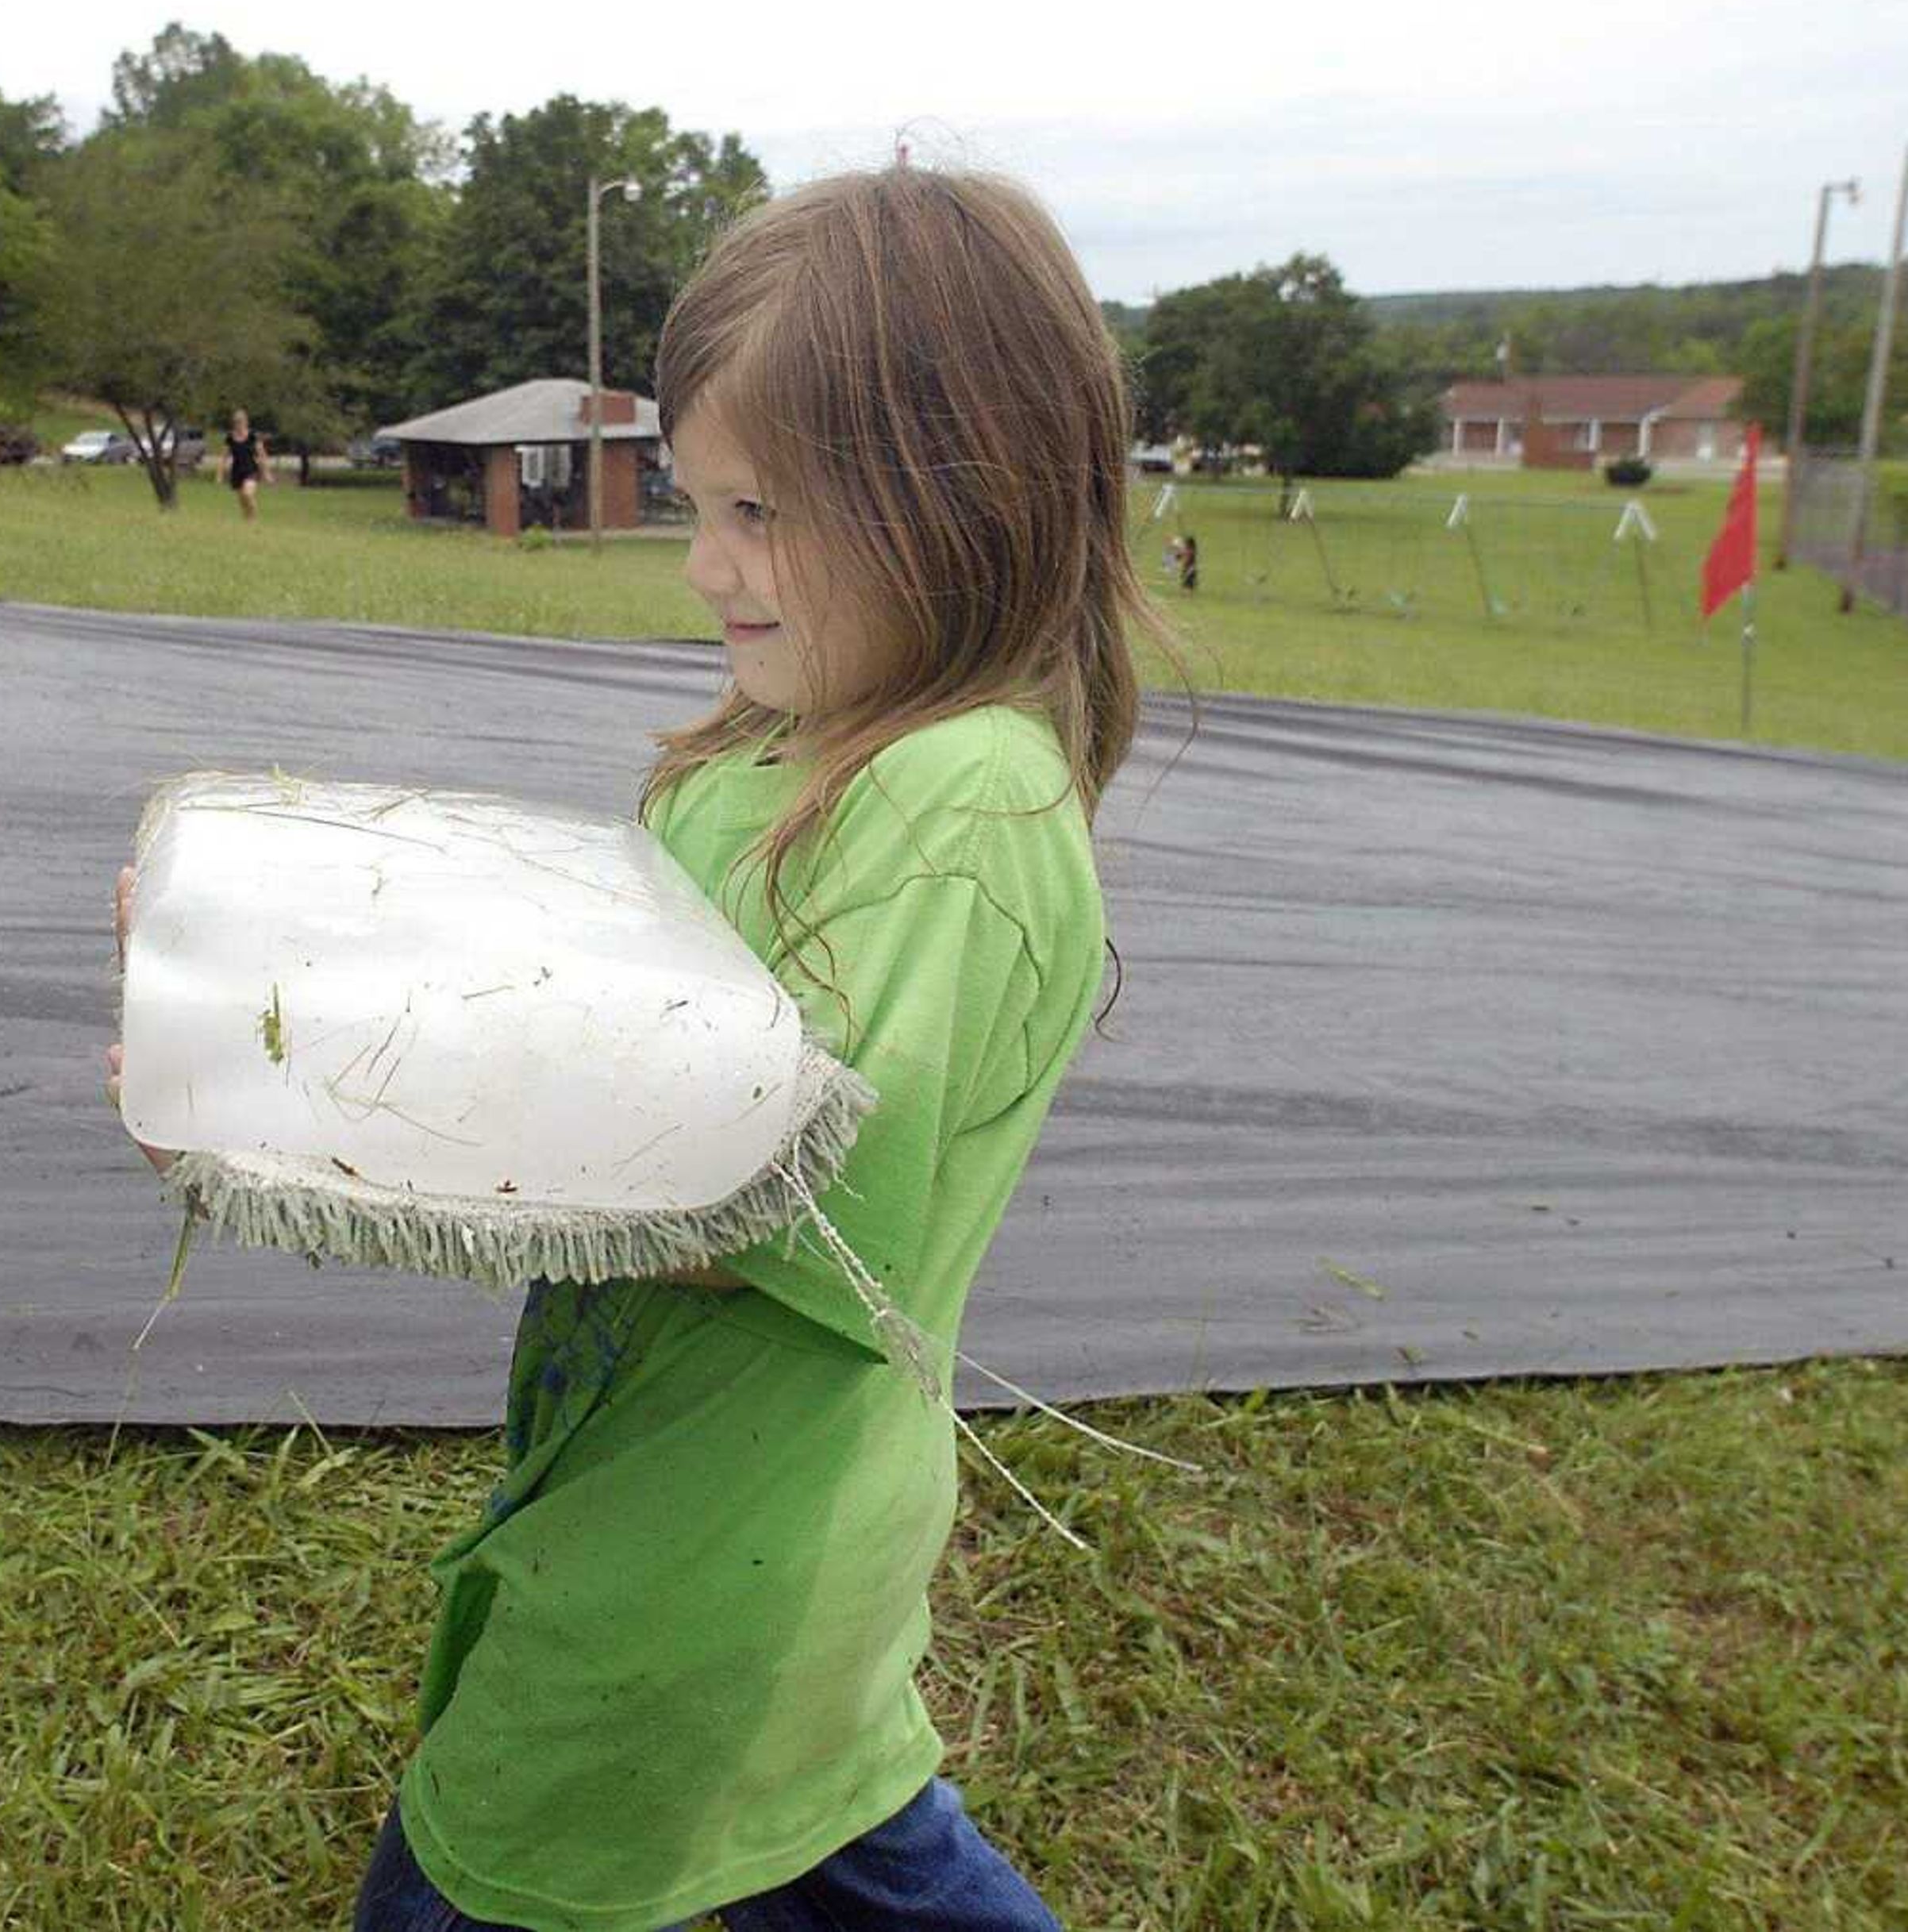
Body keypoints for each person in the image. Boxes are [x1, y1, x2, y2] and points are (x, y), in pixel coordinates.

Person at [113, 164, 1165, 1931]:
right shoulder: (769, 746)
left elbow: (770, 1193)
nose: (705, 564)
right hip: (665, 1478)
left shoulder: (960, 797)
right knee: (840, 1834)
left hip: (715, 1554)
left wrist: (309, 1109)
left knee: (491, 1857)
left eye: (759, 508)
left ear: (955, 499)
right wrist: (249, 982)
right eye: (698, 500)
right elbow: (579, 997)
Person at [219, 408, 267, 521]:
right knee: (242, 501)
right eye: (236, 422)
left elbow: (262, 454)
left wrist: (266, 473)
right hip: (237, 472)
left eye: (241, 422)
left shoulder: (253, 436)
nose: (238, 425)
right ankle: (248, 522)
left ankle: (254, 518)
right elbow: (223, 457)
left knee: (248, 494)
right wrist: (220, 474)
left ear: (246, 422)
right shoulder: (230, 438)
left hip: (251, 470)